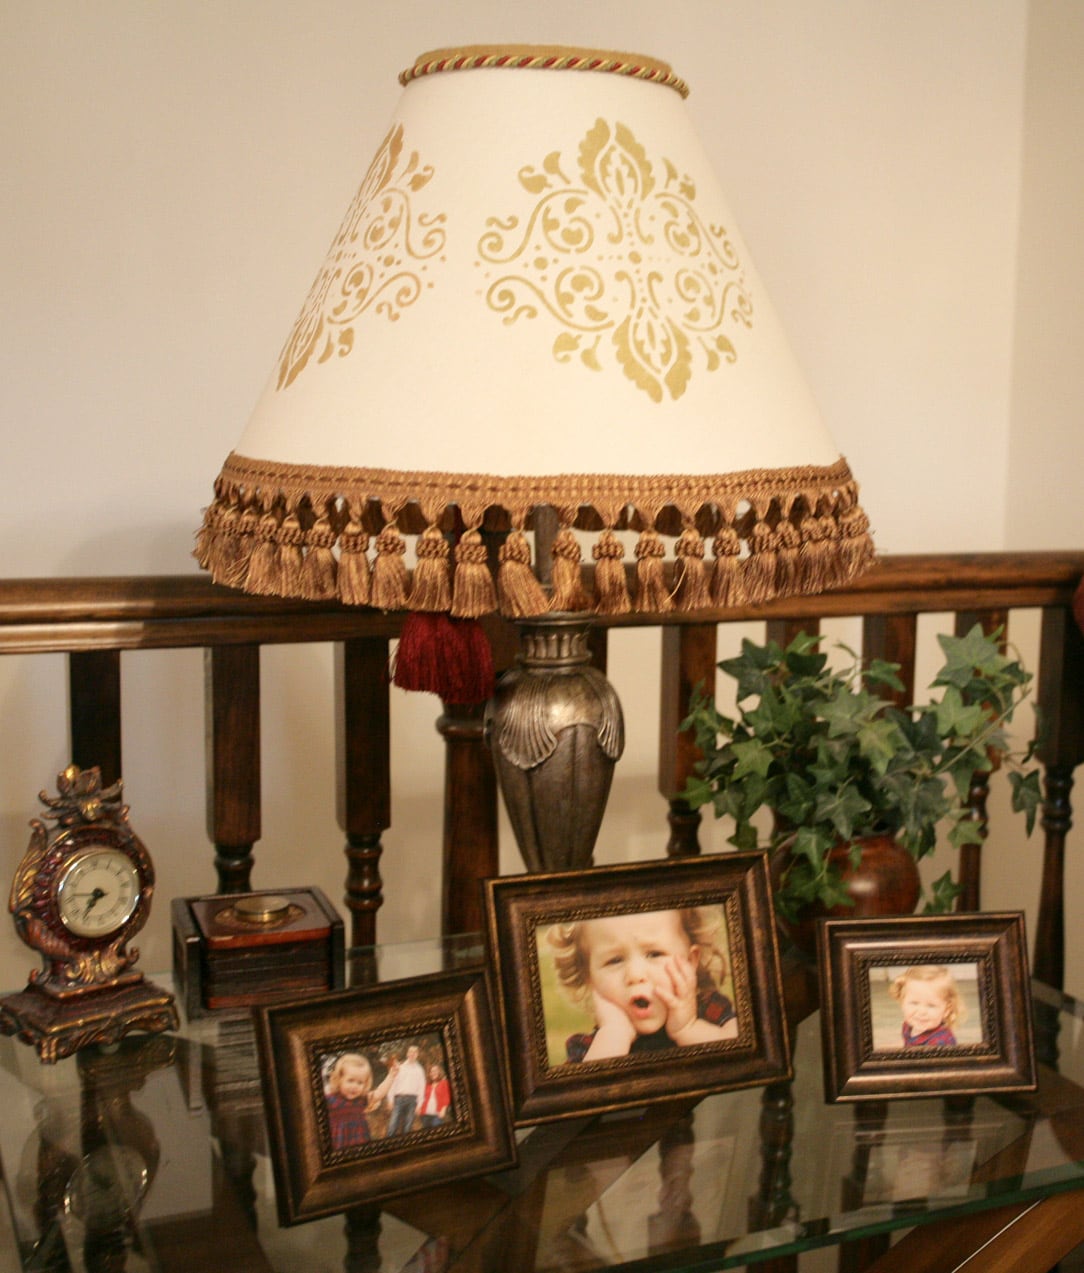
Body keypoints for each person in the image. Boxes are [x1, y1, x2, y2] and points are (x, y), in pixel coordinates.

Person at [546, 906, 738, 1061]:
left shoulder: (710, 1009)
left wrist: (688, 1028)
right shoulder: (590, 1049)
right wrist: (614, 1034)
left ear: (690, 961)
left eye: (654, 954)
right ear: (589, 978)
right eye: (614, 960)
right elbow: (580, 1098)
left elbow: (742, 1057)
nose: (635, 975)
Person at [890, 964, 962, 1047]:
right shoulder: (908, 1025)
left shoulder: (940, 1042)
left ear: (946, 1010)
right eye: (914, 1003)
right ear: (902, 1002)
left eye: (931, 1005)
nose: (922, 1012)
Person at [324, 1052, 378, 1150]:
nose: (354, 1086)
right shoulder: (330, 1099)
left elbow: (379, 1094)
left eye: (360, 1082)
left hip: (360, 1139)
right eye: (350, 1080)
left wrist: (391, 1076)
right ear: (339, 1079)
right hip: (340, 1141)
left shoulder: (361, 1100)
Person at [384, 1043, 427, 1136]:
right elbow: (392, 1084)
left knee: (407, 1127)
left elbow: (421, 1088)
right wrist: (390, 1100)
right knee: (393, 1125)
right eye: (410, 1052)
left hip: (412, 1101)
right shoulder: (400, 1067)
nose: (412, 1054)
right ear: (407, 1054)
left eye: (415, 1052)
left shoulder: (419, 1070)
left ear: (417, 1055)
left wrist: (419, 1105)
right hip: (399, 1099)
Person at [418, 1061, 451, 1129]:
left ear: (439, 1072)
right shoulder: (427, 1085)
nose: (433, 1073)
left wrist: (443, 1109)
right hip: (425, 1115)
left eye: (435, 1071)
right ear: (429, 1074)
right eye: (432, 1071)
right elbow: (421, 1097)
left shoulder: (444, 1083)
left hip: (437, 1114)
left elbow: (446, 1097)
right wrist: (418, 1107)